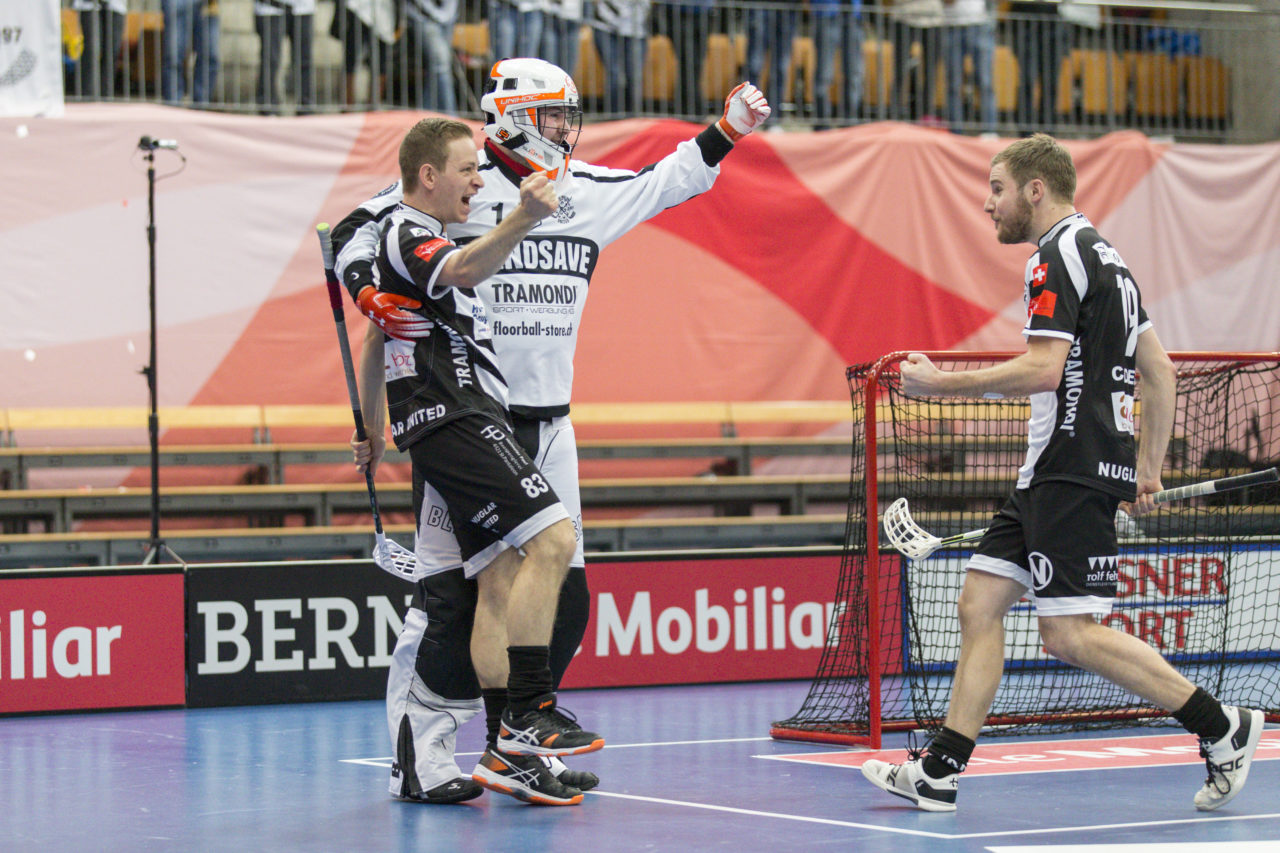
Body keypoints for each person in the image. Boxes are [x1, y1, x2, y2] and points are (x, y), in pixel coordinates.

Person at [333, 58, 770, 805]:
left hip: (551, 420)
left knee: (564, 598)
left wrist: (726, 131)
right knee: (453, 600)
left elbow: (669, 180)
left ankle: (514, 744)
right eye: (554, 117)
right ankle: (425, 751)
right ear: (511, 117)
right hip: (469, 418)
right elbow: (356, 230)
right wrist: (365, 291)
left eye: (571, 117)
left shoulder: (582, 189)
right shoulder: (462, 185)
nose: (567, 132)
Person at [859, 134, 1264, 813]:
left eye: (997, 189)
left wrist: (940, 385)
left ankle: (1221, 725)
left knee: (1069, 634)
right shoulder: (1108, 257)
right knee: (980, 603)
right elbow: (1160, 372)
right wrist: (1145, 471)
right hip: (1051, 471)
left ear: (1035, 189)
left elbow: (1044, 370)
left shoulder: (1054, 256)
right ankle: (940, 771)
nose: (988, 204)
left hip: (1068, 469)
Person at [356, 114, 612, 807]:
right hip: (456, 419)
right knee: (551, 541)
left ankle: (505, 748)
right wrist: (527, 216)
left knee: (497, 579)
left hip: (463, 417)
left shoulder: (425, 240)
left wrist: (370, 425)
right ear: (428, 175)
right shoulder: (408, 232)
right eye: (467, 169)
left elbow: (377, 336)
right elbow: (465, 268)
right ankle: (527, 712)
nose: (479, 181)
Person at [1008, 0, 1067, 129]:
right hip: (1025, 21)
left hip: (1053, 21)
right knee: (1028, 79)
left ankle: (1048, 129)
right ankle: (1025, 129)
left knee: (1051, 81)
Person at [941, 0, 995, 132]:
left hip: (980, 24)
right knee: (953, 84)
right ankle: (955, 131)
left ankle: (989, 131)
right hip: (951, 25)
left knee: (985, 82)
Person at [330, 0, 396, 106]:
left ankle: (374, 104)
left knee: (381, 61)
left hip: (383, 13)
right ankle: (347, 105)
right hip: (356, 9)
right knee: (350, 59)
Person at [887, 0, 944, 121]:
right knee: (899, 70)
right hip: (904, 18)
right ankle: (894, 115)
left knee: (931, 73)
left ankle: (926, 114)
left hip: (933, 20)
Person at [743, 0, 801, 120]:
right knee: (754, 65)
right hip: (760, 6)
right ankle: (749, 116)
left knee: (780, 68)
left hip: (788, 9)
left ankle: (773, 118)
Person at [254, 0, 314, 114]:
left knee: (304, 60)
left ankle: (306, 107)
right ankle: (267, 106)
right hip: (269, 8)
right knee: (270, 60)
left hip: (303, 8)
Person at [591, 0, 651, 114]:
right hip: (605, 25)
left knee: (634, 76)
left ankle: (633, 116)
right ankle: (613, 116)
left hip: (637, 27)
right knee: (614, 75)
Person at [811, 0, 863, 128]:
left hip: (853, 16)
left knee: (854, 74)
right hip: (826, 13)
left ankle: (850, 122)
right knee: (824, 74)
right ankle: (822, 123)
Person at [401, 0, 459, 113]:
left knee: (438, 68)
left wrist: (447, 14)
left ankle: (426, 113)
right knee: (440, 64)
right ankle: (450, 115)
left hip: (448, 14)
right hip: (420, 14)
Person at [161, 0, 220, 107]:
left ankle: (200, 106)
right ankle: (173, 108)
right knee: (173, 57)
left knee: (210, 57)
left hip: (209, 4)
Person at [67, 0, 125, 99]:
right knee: (92, 49)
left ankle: (106, 96)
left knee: (112, 51)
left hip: (116, 6)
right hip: (88, 4)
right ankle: (87, 95)